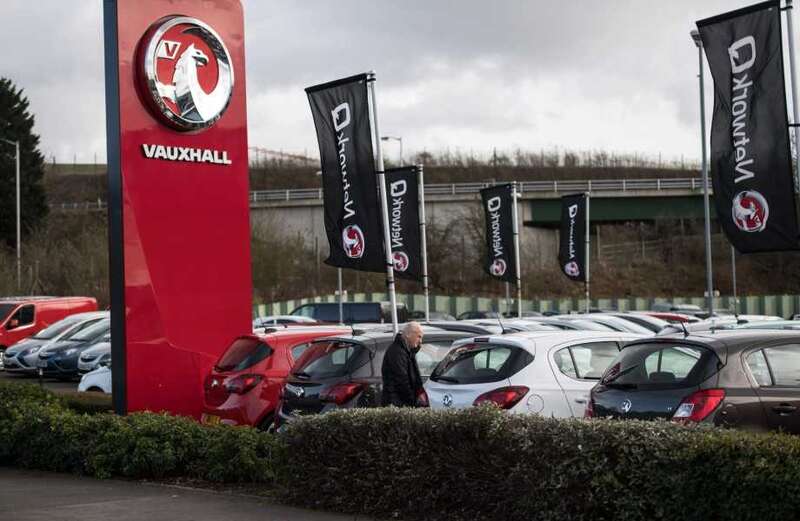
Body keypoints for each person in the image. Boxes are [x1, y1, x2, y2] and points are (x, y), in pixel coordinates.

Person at [381, 321, 424, 407]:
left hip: (400, 402)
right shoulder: (397, 352)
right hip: (396, 403)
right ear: (408, 334)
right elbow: (402, 381)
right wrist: (412, 401)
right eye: (419, 337)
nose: (420, 341)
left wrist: (416, 348)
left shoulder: (406, 351)